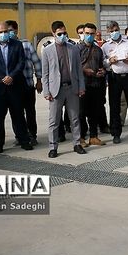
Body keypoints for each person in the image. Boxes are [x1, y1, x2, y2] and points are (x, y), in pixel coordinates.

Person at [0, 21, 33, 153]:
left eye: (5, 31)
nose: (3, 34)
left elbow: (21, 62)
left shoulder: (17, 45)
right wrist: (3, 77)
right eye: (0, 32)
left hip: (15, 86)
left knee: (18, 116)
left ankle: (24, 140)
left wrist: (11, 76)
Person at [41, 20, 86, 158]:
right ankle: (53, 147)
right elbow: (45, 73)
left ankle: (77, 143)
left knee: (75, 118)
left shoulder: (73, 49)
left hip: (72, 88)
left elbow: (79, 70)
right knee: (54, 120)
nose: (63, 36)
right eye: (60, 34)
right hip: (56, 90)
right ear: (53, 34)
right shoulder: (47, 51)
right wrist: (46, 91)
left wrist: (81, 87)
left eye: (65, 33)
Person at [6, 20, 42, 145]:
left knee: (30, 112)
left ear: (16, 31)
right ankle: (20, 136)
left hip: (27, 84)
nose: (8, 33)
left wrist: (39, 80)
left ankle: (32, 135)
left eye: (10, 30)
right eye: (6, 31)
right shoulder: (5, 47)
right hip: (12, 86)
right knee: (15, 112)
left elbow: (36, 62)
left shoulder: (26, 45)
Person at [79, 23, 106, 147]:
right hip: (82, 86)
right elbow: (73, 67)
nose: (89, 36)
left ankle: (94, 136)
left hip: (96, 85)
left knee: (94, 112)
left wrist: (102, 72)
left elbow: (102, 65)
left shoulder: (98, 50)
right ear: (83, 33)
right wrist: (84, 70)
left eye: (91, 34)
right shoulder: (76, 49)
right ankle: (81, 137)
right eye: (87, 33)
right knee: (81, 113)